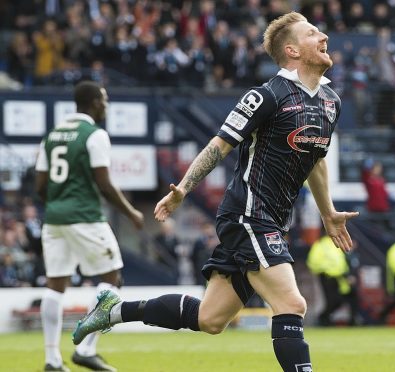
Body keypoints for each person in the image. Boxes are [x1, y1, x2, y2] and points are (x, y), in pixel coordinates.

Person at [72, 12, 358, 372]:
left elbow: (316, 160)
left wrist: (328, 212)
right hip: (248, 214)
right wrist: (184, 190)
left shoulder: (330, 101)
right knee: (292, 303)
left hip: (273, 220)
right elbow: (219, 145)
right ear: (292, 50)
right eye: (312, 33)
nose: (323, 36)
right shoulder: (267, 95)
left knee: (210, 319)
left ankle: (112, 311)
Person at [35, 81, 144, 372]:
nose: (106, 106)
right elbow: (104, 184)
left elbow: (40, 186)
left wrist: (59, 205)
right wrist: (132, 212)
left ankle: (51, 359)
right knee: (113, 278)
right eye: (104, 100)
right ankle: (85, 349)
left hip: (54, 218)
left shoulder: (51, 136)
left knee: (55, 285)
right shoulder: (94, 135)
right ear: (94, 103)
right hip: (84, 215)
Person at [306, 235, 358, 326]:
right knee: (333, 301)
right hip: (328, 277)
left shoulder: (329, 244)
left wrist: (346, 275)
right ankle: (323, 319)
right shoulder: (322, 245)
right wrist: (325, 270)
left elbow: (342, 261)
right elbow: (313, 262)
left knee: (343, 299)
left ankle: (326, 319)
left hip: (339, 277)